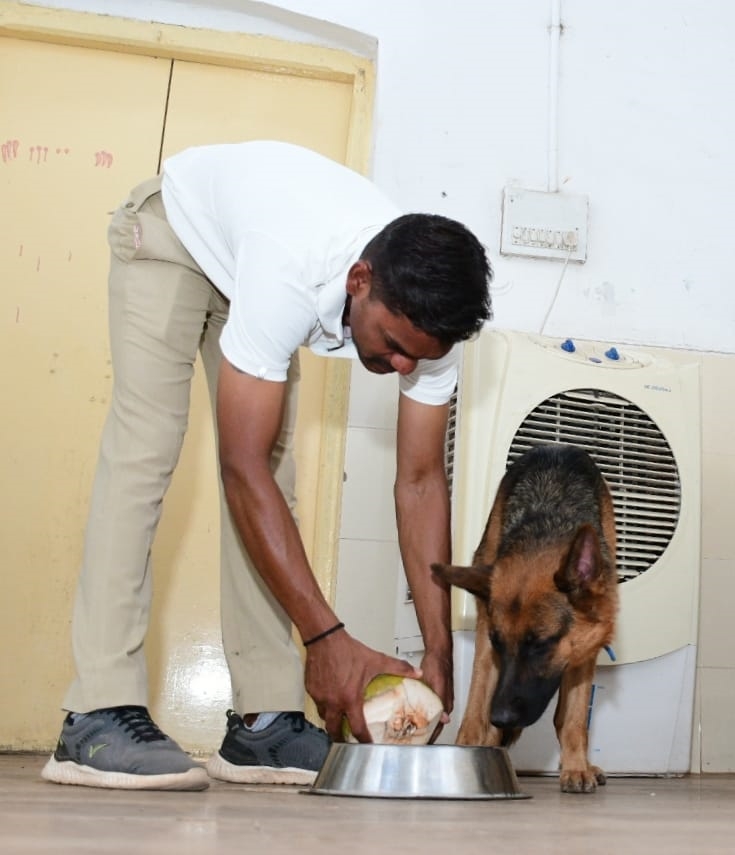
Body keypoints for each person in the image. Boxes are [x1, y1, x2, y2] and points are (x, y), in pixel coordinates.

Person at [40, 140, 493, 791]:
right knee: (151, 448)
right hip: (179, 237)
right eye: (393, 346)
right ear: (358, 281)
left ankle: (263, 722)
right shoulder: (295, 267)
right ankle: (95, 712)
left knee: (273, 479)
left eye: (417, 359)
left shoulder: (430, 328)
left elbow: (420, 481)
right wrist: (328, 640)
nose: (402, 367)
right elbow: (236, 466)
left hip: (248, 258)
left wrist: (438, 647)